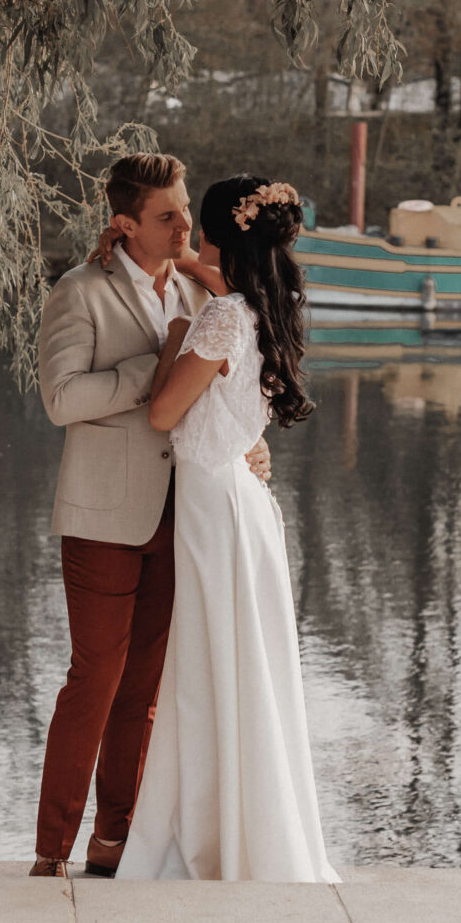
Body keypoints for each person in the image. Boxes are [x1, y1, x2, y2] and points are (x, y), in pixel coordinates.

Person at [32, 154, 270, 880]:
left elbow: (229, 383)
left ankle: (114, 842)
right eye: (167, 217)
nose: (183, 228)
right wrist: (158, 368)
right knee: (93, 680)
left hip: (187, 514)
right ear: (124, 224)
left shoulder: (206, 297)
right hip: (104, 515)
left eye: (186, 215)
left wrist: (250, 446)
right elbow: (61, 401)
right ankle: (51, 849)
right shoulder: (79, 293)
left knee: (143, 691)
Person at [116, 176, 339, 884]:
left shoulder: (215, 321)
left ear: (214, 232)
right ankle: (250, 829)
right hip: (242, 502)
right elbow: (223, 283)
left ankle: (208, 833)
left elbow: (161, 415)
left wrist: (178, 332)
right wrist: (187, 268)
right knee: (243, 667)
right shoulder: (273, 305)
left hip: (213, 504)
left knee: (209, 667)